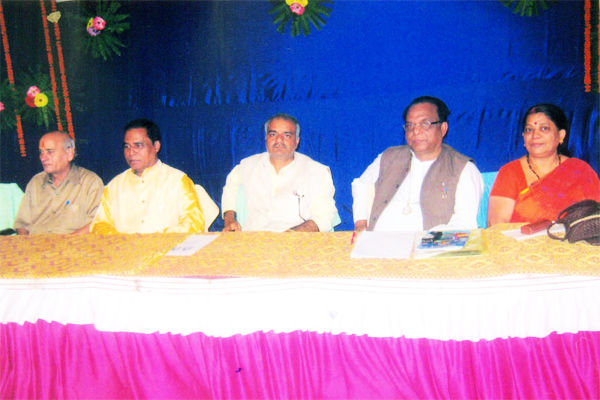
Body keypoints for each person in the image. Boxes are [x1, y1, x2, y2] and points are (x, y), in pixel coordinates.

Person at [352, 96, 483, 232]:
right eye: (410, 126)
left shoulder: (463, 168)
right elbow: (361, 184)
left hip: (429, 243)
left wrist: (426, 241)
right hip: (377, 241)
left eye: (425, 124)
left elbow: (464, 223)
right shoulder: (389, 156)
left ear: (443, 128)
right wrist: (361, 223)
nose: (416, 131)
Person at [221, 113, 338, 232]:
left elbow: (324, 216)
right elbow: (231, 187)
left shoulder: (317, 172)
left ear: (297, 141)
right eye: (273, 134)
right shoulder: (248, 165)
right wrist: (229, 219)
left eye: (287, 135)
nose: (279, 140)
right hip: (253, 238)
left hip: (298, 239)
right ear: (266, 139)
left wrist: (291, 235)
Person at [488, 103, 600, 225]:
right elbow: (496, 224)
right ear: (523, 137)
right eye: (529, 130)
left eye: (544, 128)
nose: (535, 135)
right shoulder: (510, 173)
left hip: (579, 236)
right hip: (523, 238)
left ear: (561, 135)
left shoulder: (581, 170)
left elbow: (596, 216)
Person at [90, 118, 205, 234]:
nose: (131, 152)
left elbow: (193, 223)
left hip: (166, 244)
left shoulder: (177, 181)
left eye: (138, 145)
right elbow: (100, 225)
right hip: (124, 245)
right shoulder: (114, 186)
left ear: (156, 146)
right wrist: (123, 241)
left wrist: (156, 240)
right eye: (127, 146)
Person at [14, 131, 103, 235]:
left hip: (73, 243)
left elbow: (95, 224)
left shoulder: (90, 182)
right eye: (41, 152)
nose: (43, 158)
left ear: (69, 154)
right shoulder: (36, 182)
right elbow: (22, 226)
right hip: (35, 243)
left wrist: (64, 243)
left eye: (50, 151)